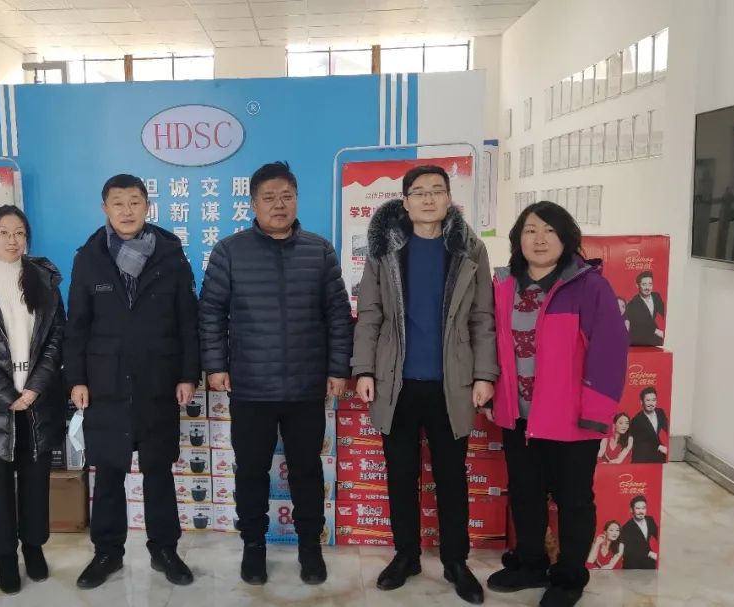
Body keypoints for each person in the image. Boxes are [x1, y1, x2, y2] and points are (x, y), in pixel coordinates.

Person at [199, 161, 352, 587]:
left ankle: (309, 548)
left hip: (306, 385)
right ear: (253, 204)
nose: (278, 205)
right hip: (251, 387)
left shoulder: (320, 251)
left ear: (297, 200)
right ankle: (253, 547)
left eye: (286, 196)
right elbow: (210, 312)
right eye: (269, 198)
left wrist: (337, 368)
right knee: (251, 472)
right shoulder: (230, 251)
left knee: (306, 471)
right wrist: (215, 364)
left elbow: (338, 315)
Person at [350, 165, 497, 604]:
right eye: (419, 192)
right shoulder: (385, 248)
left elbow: (482, 318)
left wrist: (484, 375)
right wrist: (364, 370)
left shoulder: (470, 249)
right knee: (400, 474)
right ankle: (406, 555)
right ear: (406, 200)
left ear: (449, 198)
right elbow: (370, 314)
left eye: (437, 191)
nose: (428, 199)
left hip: (452, 383)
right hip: (396, 382)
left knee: (451, 477)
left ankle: (456, 561)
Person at [485, 201, 628, 607]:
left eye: (549, 230)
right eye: (530, 230)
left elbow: (609, 352)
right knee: (526, 493)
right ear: (518, 239)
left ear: (566, 238)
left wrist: (596, 413)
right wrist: (492, 392)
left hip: (572, 419)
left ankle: (568, 577)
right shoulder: (505, 286)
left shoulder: (588, 286)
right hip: (518, 416)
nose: (540, 239)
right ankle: (531, 563)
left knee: (573, 499)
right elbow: (494, 344)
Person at [64, 174, 199, 589]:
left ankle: (165, 550)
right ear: (105, 208)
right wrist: (76, 379)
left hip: (158, 379)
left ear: (147, 206)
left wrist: (188, 374)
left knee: (158, 471)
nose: (127, 210)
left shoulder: (170, 254)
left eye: (135, 201)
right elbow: (77, 325)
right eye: (118, 203)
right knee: (108, 472)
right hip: (104, 382)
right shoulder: (89, 257)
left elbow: (187, 320)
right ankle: (107, 552)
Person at [0, 205, 67, 594]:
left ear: (27, 238)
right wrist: (7, 394)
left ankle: (33, 548)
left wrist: (34, 388)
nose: (11, 240)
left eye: (19, 232)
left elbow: (56, 337)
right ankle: (5, 556)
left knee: (36, 483)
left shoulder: (44, 280)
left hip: (37, 400)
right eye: (3, 232)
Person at [628, 387, 669, 463]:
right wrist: (659, 447)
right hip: (642, 457)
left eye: (654, 400)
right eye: (648, 400)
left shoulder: (660, 412)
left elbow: (667, 428)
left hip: (657, 455)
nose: (651, 403)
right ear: (641, 402)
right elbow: (639, 443)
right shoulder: (636, 420)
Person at [624, 271, 665, 346]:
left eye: (650, 284)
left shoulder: (656, 296)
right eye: (644, 284)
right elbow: (643, 324)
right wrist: (660, 332)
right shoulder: (632, 305)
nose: (647, 288)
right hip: (639, 341)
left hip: (654, 338)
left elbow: (664, 313)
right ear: (637, 286)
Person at [619, 496, 659, 569]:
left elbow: (659, 535)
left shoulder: (650, 520)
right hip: (632, 565)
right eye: (637, 508)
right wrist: (650, 554)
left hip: (648, 563)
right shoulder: (626, 528)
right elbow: (632, 548)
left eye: (643, 508)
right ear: (631, 510)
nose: (641, 511)